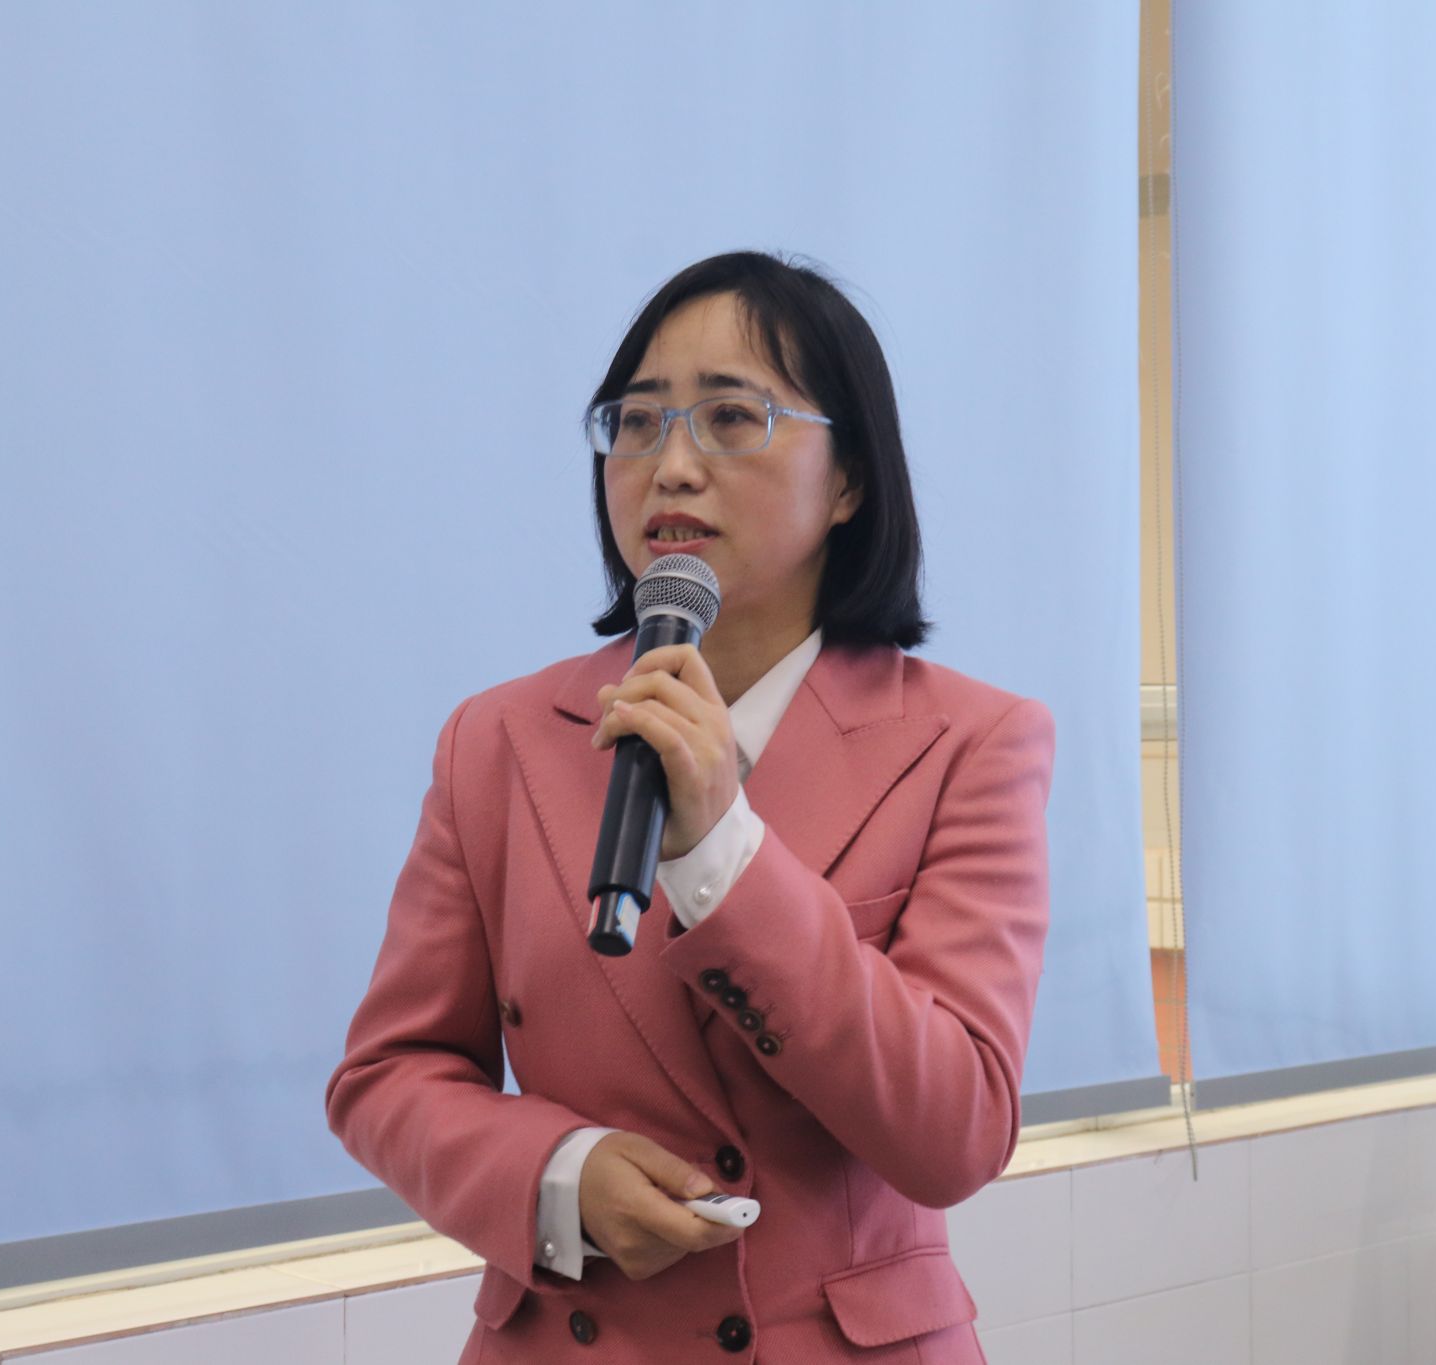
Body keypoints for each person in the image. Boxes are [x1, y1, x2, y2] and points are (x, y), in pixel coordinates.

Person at [325, 250, 1053, 1363]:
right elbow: (388, 1077)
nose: (670, 466)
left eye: (730, 418)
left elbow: (954, 1131)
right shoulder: (498, 739)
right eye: (637, 422)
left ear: (849, 481)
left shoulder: (971, 741)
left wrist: (723, 849)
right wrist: (556, 1176)